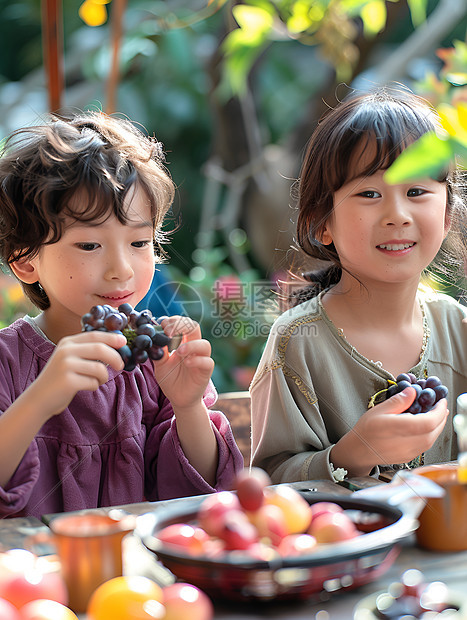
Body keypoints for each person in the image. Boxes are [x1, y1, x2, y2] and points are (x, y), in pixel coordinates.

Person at [0, 111, 243, 519]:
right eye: (90, 246)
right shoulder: (8, 363)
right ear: (26, 262)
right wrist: (40, 399)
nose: (122, 269)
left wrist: (187, 406)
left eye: (138, 241)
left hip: (140, 575)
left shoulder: (151, 360)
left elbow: (200, 490)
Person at [250, 86, 467, 484]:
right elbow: (270, 482)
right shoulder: (297, 343)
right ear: (322, 223)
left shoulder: (460, 329)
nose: (397, 214)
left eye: (416, 191)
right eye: (369, 193)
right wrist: (354, 452)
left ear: (448, 214)